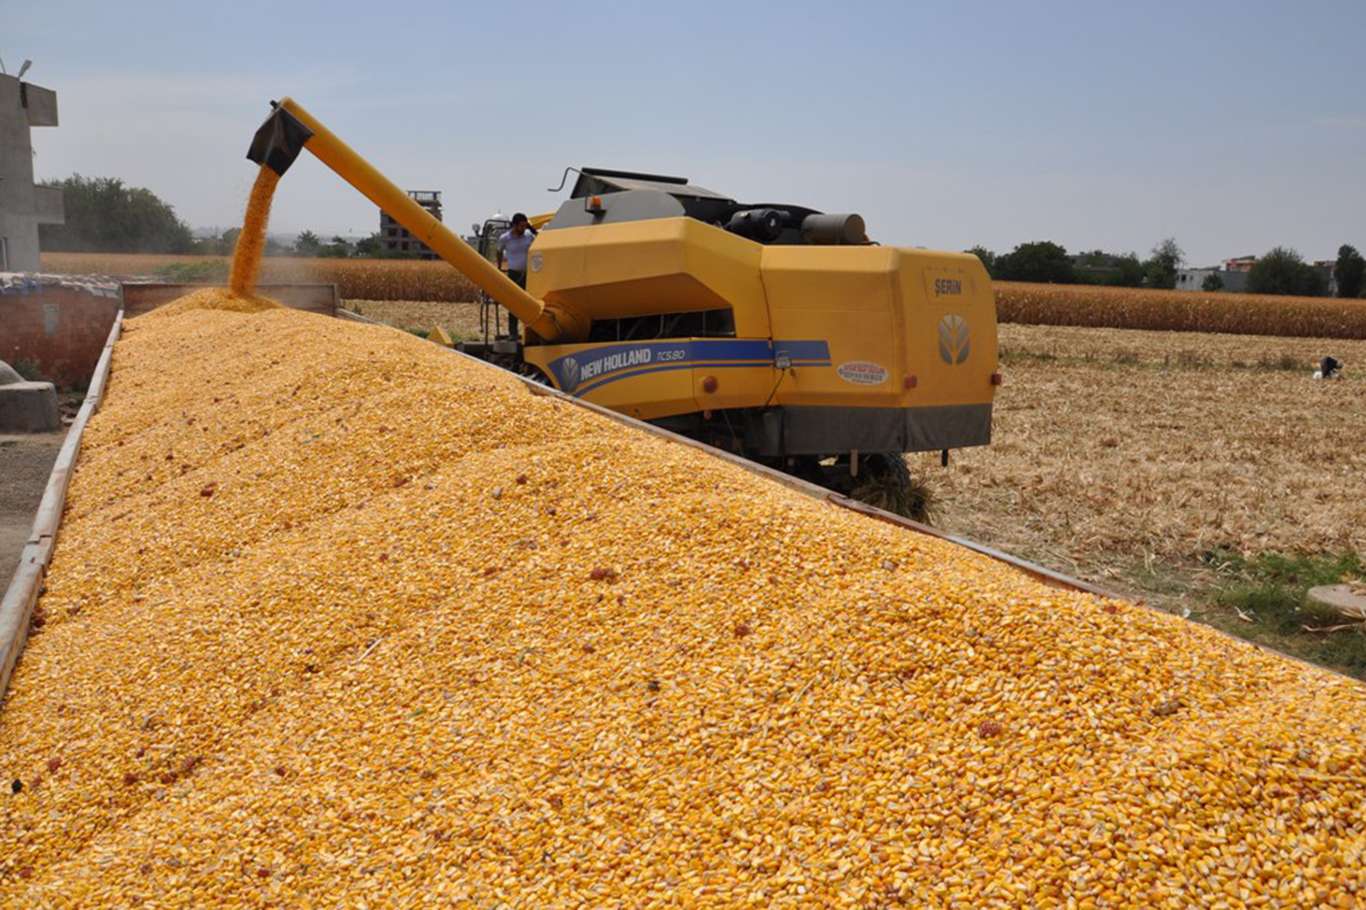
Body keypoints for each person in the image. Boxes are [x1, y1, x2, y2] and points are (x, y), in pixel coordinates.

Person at [496, 213, 536, 338]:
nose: (523, 229)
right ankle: (513, 333)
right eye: (521, 226)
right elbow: (499, 251)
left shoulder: (529, 236)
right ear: (515, 225)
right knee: (514, 304)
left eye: (525, 226)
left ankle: (530, 332)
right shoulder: (505, 238)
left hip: (528, 274)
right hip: (513, 274)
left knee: (530, 303)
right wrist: (499, 266)